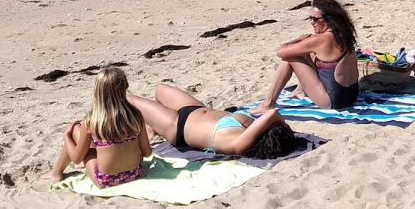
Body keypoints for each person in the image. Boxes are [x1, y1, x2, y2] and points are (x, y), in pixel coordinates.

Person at [127, 83, 297, 158]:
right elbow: (270, 117)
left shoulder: (238, 143)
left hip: (177, 126)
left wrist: (282, 124)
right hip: (194, 108)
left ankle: (155, 128)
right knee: (160, 89)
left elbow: (272, 113)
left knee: (129, 99)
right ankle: (152, 129)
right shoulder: (250, 130)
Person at [253, 0, 359, 114]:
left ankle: (267, 104)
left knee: (289, 58)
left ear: (329, 19)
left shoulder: (321, 40)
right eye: (310, 18)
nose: (311, 22)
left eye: (316, 19)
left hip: (333, 102)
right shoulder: (343, 34)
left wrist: (298, 39)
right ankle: (300, 89)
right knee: (309, 54)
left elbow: (280, 52)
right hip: (351, 96)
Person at [48, 67, 151, 186]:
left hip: (105, 180)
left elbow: (76, 159)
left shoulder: (91, 121)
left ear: (98, 91)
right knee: (107, 143)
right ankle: (57, 172)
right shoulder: (136, 116)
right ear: (125, 87)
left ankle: (56, 173)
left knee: (76, 130)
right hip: (135, 174)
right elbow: (147, 152)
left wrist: (66, 136)